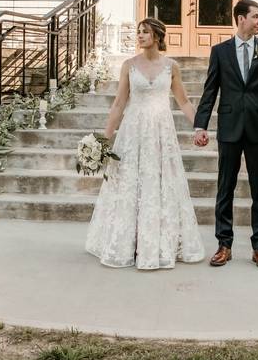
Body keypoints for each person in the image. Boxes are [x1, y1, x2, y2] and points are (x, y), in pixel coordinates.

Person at [84, 18, 205, 270]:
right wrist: (104, 140)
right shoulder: (129, 65)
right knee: (131, 184)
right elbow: (118, 104)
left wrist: (199, 126)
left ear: (158, 37)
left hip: (161, 132)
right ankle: (128, 242)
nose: (139, 36)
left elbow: (183, 101)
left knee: (160, 184)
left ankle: (159, 243)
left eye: (145, 32)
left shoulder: (171, 66)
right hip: (133, 131)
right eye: (138, 32)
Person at [193, 0, 258, 269]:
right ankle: (224, 244)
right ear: (241, 19)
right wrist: (201, 125)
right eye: (256, 16)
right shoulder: (220, 51)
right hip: (230, 128)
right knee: (225, 188)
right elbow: (210, 90)